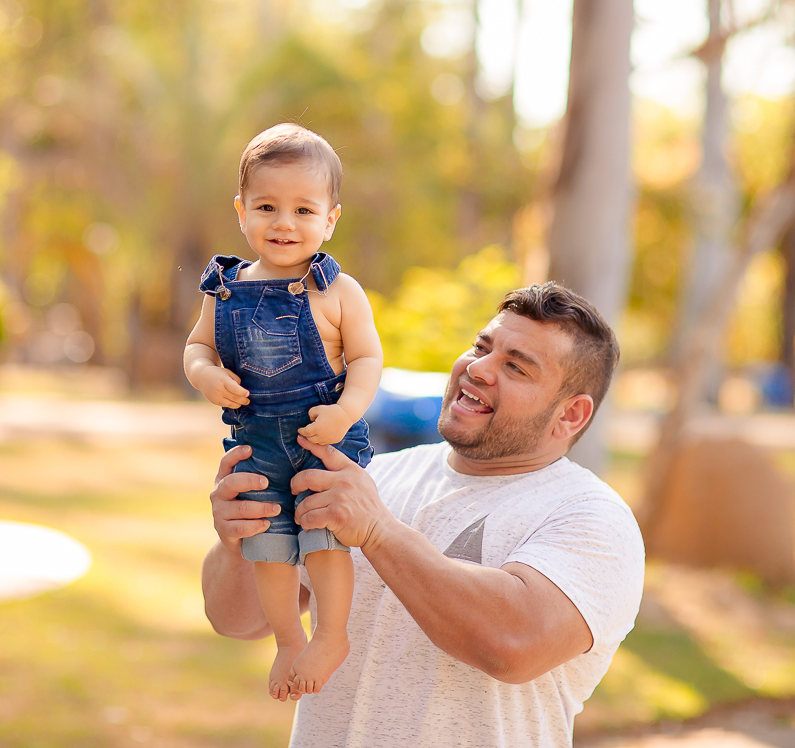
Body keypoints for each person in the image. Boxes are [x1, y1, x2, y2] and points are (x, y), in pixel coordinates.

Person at [202, 282, 645, 748]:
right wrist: (239, 539)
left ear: (571, 415)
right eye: (481, 347)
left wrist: (377, 532)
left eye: (515, 367)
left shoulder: (592, 518)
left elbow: (514, 644)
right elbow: (238, 620)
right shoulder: (371, 478)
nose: (478, 369)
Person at [184, 123, 383, 701]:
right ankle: (287, 639)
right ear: (241, 211)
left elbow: (368, 359)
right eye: (267, 206)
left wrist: (345, 413)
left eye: (303, 209)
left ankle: (332, 633)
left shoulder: (338, 289)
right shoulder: (224, 287)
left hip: (322, 432)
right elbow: (198, 346)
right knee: (267, 543)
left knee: (323, 533)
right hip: (256, 439)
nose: (284, 223)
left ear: (331, 219)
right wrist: (206, 374)